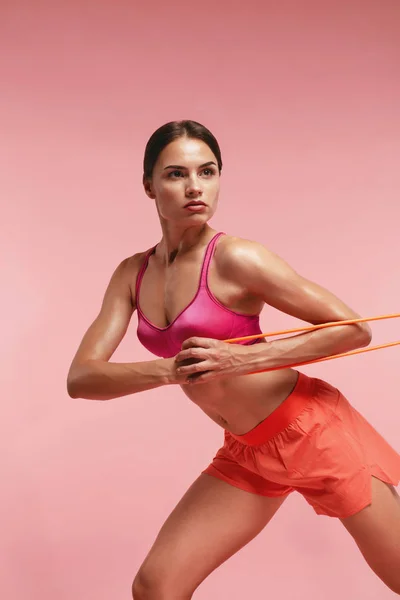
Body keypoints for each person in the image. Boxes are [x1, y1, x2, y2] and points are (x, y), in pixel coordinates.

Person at [67, 120, 400, 599]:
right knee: (156, 586)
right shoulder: (131, 275)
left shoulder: (237, 257)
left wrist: (238, 360)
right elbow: (82, 378)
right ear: (149, 185)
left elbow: (354, 329)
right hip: (249, 451)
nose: (195, 187)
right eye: (176, 174)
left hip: (318, 433)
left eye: (208, 171)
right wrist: (170, 370)